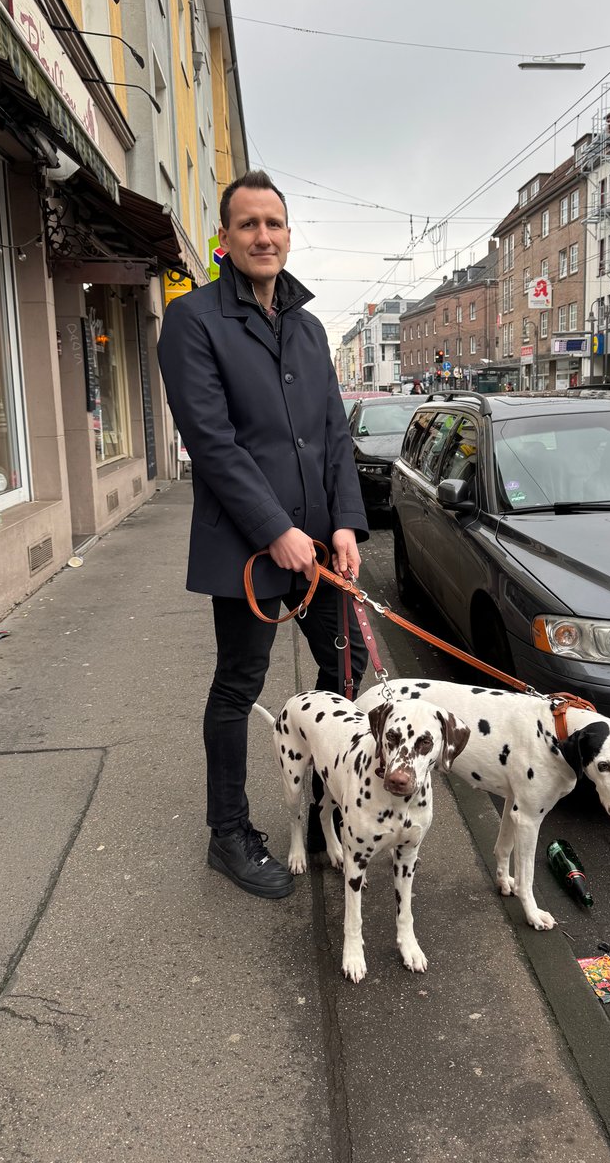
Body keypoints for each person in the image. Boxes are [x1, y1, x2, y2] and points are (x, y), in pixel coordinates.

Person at [157, 169, 369, 901]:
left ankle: (320, 798)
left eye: (273, 223)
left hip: (321, 547)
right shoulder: (193, 321)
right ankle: (229, 833)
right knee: (238, 684)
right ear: (224, 239)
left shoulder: (308, 328)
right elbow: (212, 444)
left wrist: (344, 522)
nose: (263, 236)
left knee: (349, 670)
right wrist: (276, 529)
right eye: (247, 225)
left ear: (288, 233)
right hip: (249, 548)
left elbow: (334, 435)